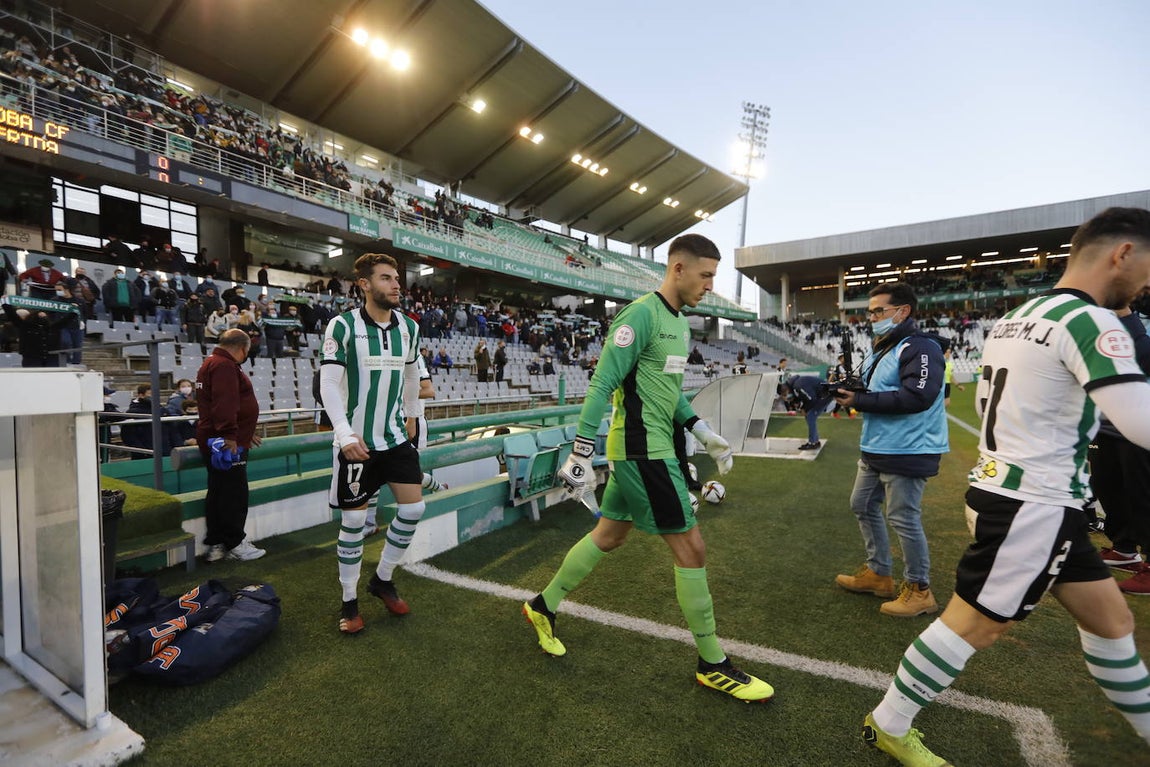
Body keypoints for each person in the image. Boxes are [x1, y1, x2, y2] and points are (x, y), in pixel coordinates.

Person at [861, 207, 1150, 766]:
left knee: (1112, 622)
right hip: (1033, 504)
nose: (1147, 283)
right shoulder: (1091, 323)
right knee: (975, 625)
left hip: (1013, 493)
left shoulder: (1019, 316)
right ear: (1124, 253)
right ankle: (888, 723)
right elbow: (1140, 424)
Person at [521, 234, 773, 702]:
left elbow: (668, 391)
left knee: (610, 535)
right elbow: (602, 384)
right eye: (706, 275)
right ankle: (712, 664)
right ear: (678, 268)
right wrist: (580, 450)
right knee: (692, 548)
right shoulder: (639, 315)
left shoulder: (679, 323)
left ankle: (543, 605)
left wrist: (701, 431)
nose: (709, 286)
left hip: (654, 447)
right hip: (642, 451)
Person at [320, 253, 426, 634]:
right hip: (356, 443)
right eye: (385, 278)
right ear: (364, 284)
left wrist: (412, 413)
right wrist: (345, 433)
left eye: (396, 277)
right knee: (352, 522)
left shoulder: (409, 327)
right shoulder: (342, 326)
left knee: (413, 510)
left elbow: (413, 373)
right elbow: (329, 384)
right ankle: (349, 601)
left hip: (395, 437)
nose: (396, 284)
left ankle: (381, 579)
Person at [832, 281, 948, 618]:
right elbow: (876, 390)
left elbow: (917, 397)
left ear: (903, 311)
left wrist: (861, 399)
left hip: (908, 448)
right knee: (862, 505)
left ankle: (919, 589)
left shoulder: (921, 348)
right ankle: (879, 574)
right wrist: (850, 391)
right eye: (870, 312)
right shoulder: (884, 346)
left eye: (879, 311)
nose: (872, 318)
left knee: (903, 517)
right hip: (877, 445)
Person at [1090, 298, 1150, 594]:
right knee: (1107, 486)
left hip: (1141, 422)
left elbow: (1142, 356)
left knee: (1143, 494)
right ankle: (1125, 549)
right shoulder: (1101, 320)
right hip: (1107, 422)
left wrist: (1125, 315)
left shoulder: (1135, 323)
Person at [195, 328, 265, 562]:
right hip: (224, 442)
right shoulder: (224, 366)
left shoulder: (212, 362)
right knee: (234, 492)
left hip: (217, 439)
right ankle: (235, 542)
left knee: (218, 490)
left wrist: (245, 431)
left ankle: (216, 542)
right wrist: (230, 436)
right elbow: (225, 404)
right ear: (243, 348)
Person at [781, 374, 833, 450]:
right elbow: (804, 396)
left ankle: (812, 443)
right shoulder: (796, 384)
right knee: (810, 416)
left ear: (787, 390)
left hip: (824, 395)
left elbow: (811, 399)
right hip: (822, 393)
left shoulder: (798, 385)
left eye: (787, 395)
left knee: (810, 416)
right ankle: (815, 441)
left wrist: (804, 409)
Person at [121, 384, 154, 460]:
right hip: (143, 453)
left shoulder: (159, 409)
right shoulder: (132, 413)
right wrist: (141, 451)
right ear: (141, 395)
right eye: (150, 394)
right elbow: (127, 435)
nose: (152, 397)